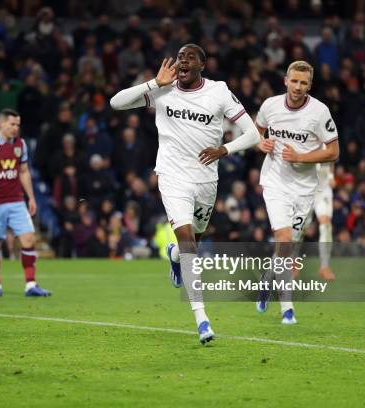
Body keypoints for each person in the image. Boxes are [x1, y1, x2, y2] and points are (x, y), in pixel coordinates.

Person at [110, 44, 260, 344]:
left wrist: (224, 149)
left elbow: (254, 133)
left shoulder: (219, 91)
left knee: (192, 240)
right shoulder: (163, 89)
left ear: (202, 64)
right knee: (189, 242)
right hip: (172, 177)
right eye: (180, 56)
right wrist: (154, 83)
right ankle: (202, 319)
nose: (183, 61)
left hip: (206, 180)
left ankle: (174, 257)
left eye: (190, 57)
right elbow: (116, 103)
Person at [255, 60, 339, 324]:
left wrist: (302, 157)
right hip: (275, 181)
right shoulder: (270, 105)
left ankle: (268, 277)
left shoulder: (319, 111)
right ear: (286, 80)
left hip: (305, 190)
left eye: (303, 83)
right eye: (294, 81)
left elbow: (333, 151)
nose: (298, 87)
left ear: (309, 85)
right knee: (283, 238)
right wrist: (262, 143)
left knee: (287, 247)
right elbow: (256, 132)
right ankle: (287, 309)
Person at [0, 109, 51, 298]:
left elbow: (23, 171)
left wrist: (31, 197)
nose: (15, 128)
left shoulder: (20, 144)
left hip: (16, 201)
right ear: (2, 123)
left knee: (28, 239)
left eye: (18, 125)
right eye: (12, 124)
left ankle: (31, 285)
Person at [314, 162, 335, 281]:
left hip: (324, 191)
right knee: (299, 229)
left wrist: (331, 176)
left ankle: (325, 266)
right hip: (305, 188)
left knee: (326, 226)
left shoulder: (328, 142)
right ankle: (293, 262)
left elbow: (332, 158)